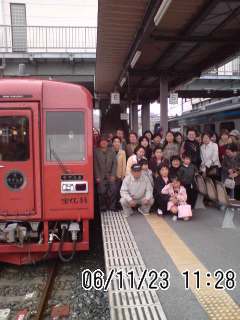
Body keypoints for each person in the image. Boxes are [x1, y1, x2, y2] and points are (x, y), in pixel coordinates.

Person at [94, 136, 117, 211]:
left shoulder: (112, 151)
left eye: (105, 141)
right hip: (100, 175)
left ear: (107, 142)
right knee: (101, 192)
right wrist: (97, 176)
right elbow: (95, 165)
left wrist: (113, 175)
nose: (103, 142)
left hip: (110, 175)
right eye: (102, 141)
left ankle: (112, 207)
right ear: (99, 142)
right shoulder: (96, 151)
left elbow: (115, 163)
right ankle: (102, 207)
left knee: (113, 191)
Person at [112, 136, 126, 210]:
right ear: (112, 143)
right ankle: (113, 205)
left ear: (120, 143)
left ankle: (118, 205)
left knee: (119, 191)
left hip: (119, 175)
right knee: (113, 191)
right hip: (112, 175)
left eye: (118, 142)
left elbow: (124, 165)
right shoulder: (110, 151)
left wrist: (123, 176)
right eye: (115, 141)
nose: (116, 143)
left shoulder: (122, 152)